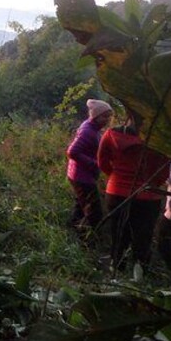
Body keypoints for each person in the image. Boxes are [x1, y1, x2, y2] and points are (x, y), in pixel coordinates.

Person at [98, 114, 170, 275]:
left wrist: (116, 177)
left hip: (116, 193)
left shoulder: (110, 134)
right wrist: (151, 184)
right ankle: (141, 273)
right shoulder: (159, 142)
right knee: (143, 237)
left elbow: (102, 162)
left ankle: (117, 269)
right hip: (147, 196)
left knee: (118, 233)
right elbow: (164, 170)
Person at [66, 99, 113, 238]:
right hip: (82, 176)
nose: (107, 119)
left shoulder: (93, 128)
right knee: (94, 212)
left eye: (109, 116)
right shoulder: (88, 131)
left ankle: (73, 230)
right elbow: (72, 152)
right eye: (104, 116)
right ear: (96, 116)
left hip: (79, 174)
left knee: (81, 205)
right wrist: (94, 163)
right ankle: (89, 241)